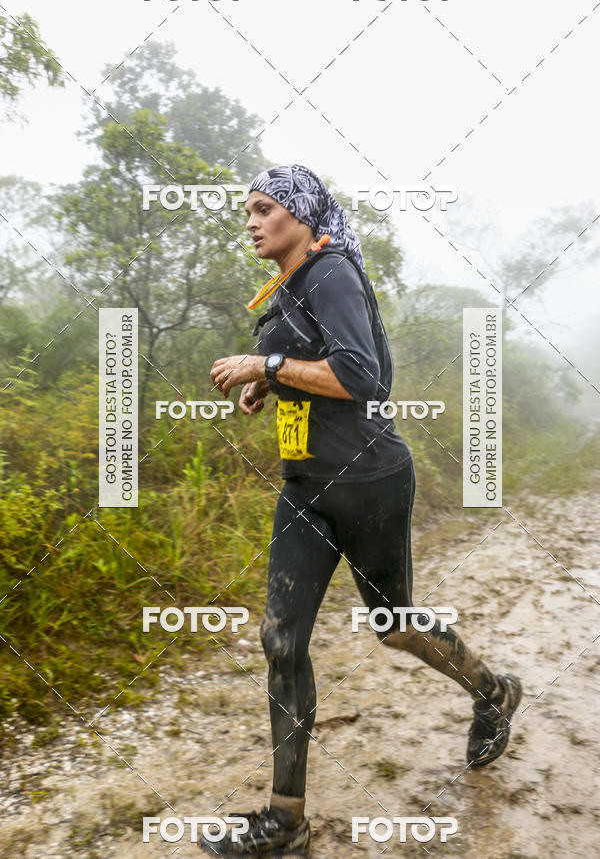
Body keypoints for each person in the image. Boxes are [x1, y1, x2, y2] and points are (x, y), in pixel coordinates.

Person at [205, 164, 522, 858]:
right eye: (247, 212)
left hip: (372, 480)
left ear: (299, 213)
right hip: (305, 488)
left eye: (264, 209)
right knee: (281, 641)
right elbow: (304, 371)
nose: (252, 222)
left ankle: (493, 690)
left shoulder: (332, 273)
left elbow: (361, 376)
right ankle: (286, 822)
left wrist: (266, 368)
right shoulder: (287, 285)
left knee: (394, 625)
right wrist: (264, 388)